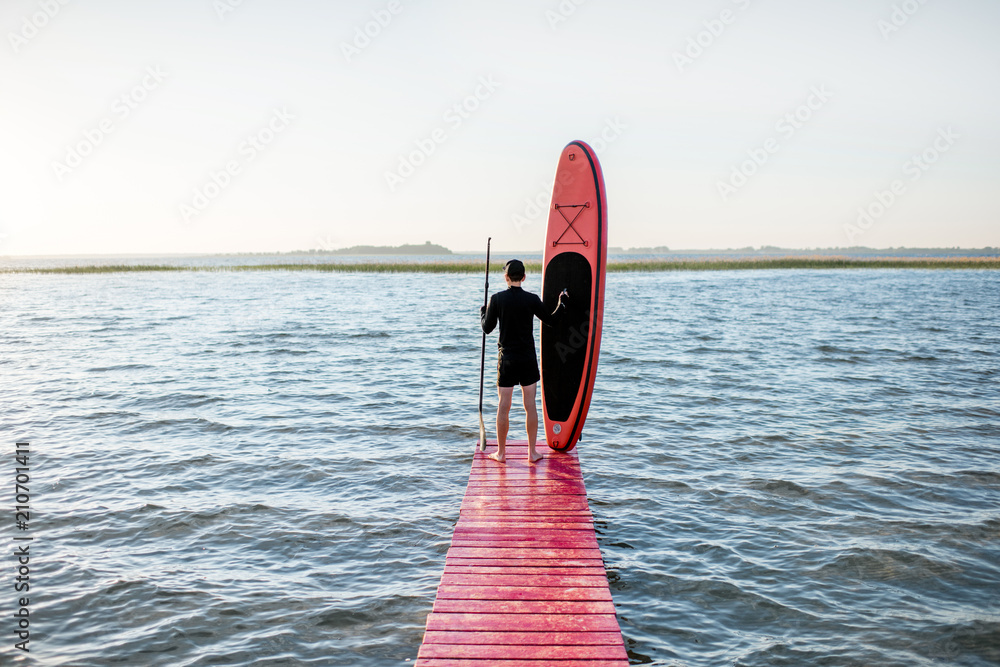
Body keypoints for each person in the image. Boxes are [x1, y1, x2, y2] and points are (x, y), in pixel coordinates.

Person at [480, 259, 568, 463]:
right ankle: (532, 453)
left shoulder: (497, 299)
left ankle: (501, 454)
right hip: (527, 359)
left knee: (504, 406)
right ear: (524, 277)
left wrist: (483, 312)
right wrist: (562, 303)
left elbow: (486, 328)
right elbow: (552, 320)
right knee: (530, 406)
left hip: (507, 360)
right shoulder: (532, 299)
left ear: (506, 277)